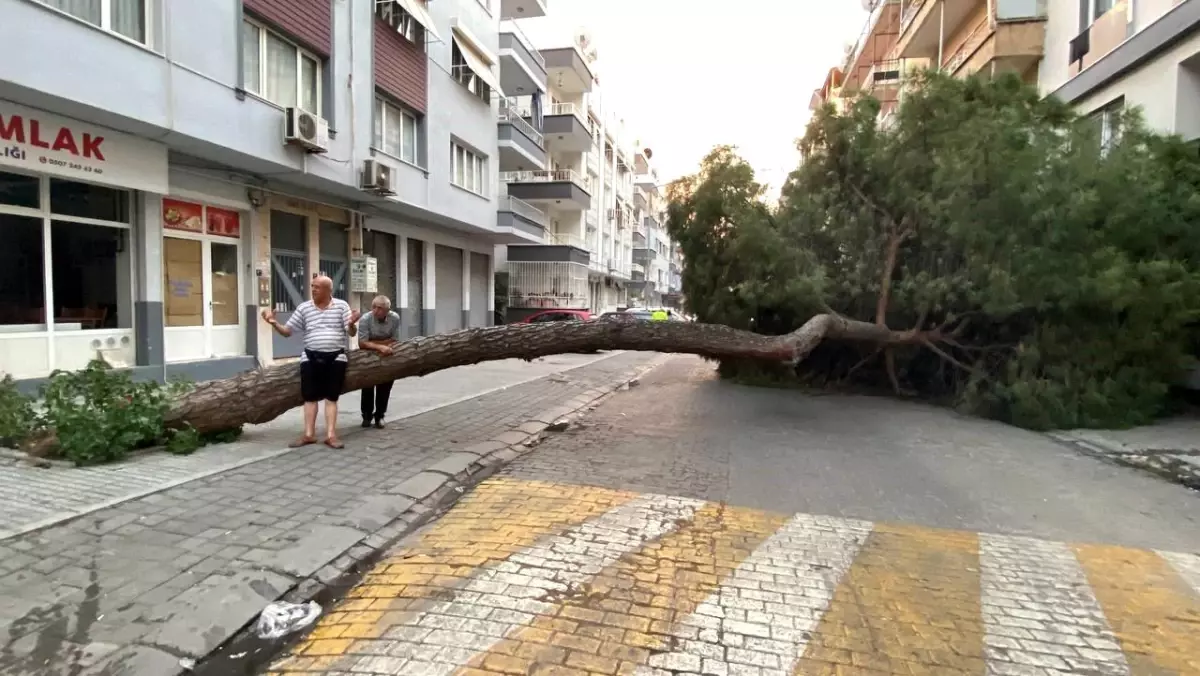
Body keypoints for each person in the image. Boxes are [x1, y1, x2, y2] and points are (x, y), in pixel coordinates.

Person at [261, 276, 360, 449]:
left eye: (318, 287)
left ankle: (331, 435)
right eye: (312, 286)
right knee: (309, 397)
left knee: (331, 397)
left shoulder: (341, 306)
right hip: (310, 357)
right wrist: (274, 323)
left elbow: (351, 332)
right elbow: (287, 332)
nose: (313, 290)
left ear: (328, 290)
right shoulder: (304, 308)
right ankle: (309, 434)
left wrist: (352, 324)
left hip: (336, 357)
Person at [358, 295, 401, 429]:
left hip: (387, 355)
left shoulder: (394, 318)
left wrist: (372, 342)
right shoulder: (365, 319)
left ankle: (380, 416)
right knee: (367, 386)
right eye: (374, 307)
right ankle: (366, 416)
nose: (376, 310)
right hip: (368, 356)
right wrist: (381, 345)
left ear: (387, 310)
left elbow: (395, 340)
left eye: (380, 308)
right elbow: (362, 344)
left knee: (385, 386)